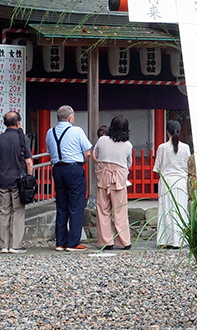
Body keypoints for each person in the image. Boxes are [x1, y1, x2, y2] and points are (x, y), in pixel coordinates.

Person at [45, 105, 93, 251]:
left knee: (61, 205)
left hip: (58, 169)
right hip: (74, 168)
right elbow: (88, 153)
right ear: (71, 118)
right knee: (76, 205)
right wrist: (83, 162)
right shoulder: (76, 130)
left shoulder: (50, 132)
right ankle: (73, 242)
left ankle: (60, 242)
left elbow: (50, 151)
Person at [0, 111, 33, 253]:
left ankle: (3, 245)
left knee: (3, 212)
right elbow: (28, 161)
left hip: (2, 180)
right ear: (18, 122)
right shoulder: (23, 138)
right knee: (18, 212)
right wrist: (30, 179)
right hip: (18, 181)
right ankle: (15, 245)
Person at [93, 115, 133, 250]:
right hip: (119, 178)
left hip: (103, 176)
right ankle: (124, 241)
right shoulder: (128, 145)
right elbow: (129, 163)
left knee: (103, 209)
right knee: (120, 210)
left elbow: (96, 155)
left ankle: (106, 242)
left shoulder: (102, 140)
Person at [153, 120, 191, 249]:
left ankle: (166, 239)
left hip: (166, 182)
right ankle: (180, 239)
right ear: (179, 131)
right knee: (181, 210)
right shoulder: (185, 148)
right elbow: (189, 166)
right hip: (181, 182)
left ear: (167, 131)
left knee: (167, 212)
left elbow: (157, 168)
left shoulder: (162, 147)